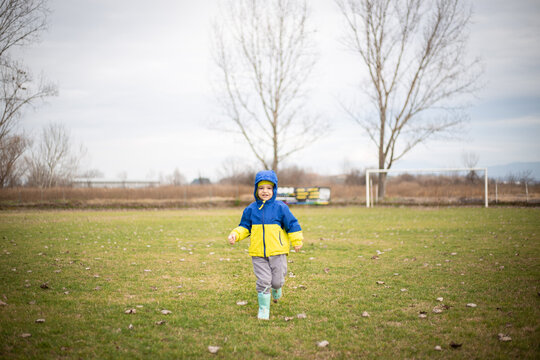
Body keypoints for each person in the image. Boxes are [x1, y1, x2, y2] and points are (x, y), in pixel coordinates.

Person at [228, 170, 303, 320]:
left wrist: (297, 241)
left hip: (278, 252)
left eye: (269, 188)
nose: (265, 191)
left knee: (277, 281)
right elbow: (244, 227)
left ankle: (277, 288)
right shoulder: (250, 209)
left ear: (274, 190)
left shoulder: (281, 208)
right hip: (258, 253)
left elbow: (292, 225)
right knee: (263, 281)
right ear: (256, 189)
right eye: (261, 188)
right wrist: (235, 234)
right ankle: (263, 308)